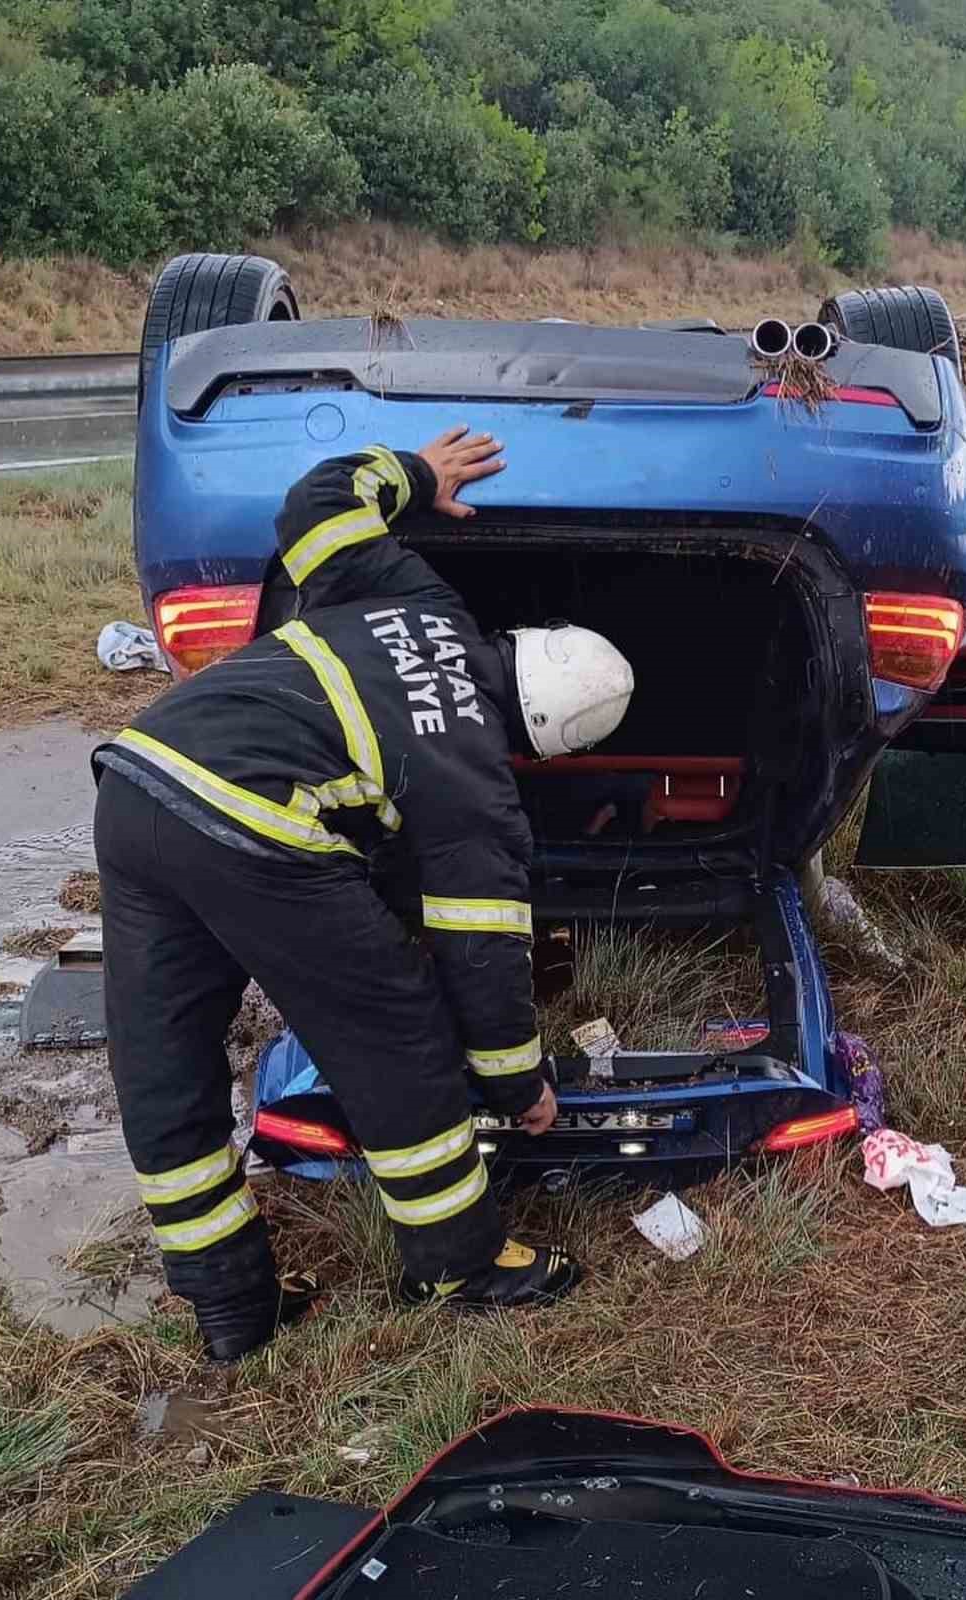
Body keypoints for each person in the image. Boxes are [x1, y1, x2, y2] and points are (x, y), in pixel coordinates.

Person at [92, 427, 635, 1363]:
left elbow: (313, 507)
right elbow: (478, 951)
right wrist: (518, 1082)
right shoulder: (476, 782)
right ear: (545, 747)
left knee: (164, 1060)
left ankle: (232, 1304)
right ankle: (459, 1266)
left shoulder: (419, 598)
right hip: (260, 826)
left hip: (141, 783)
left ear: (520, 642)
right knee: (399, 1037)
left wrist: (419, 476)